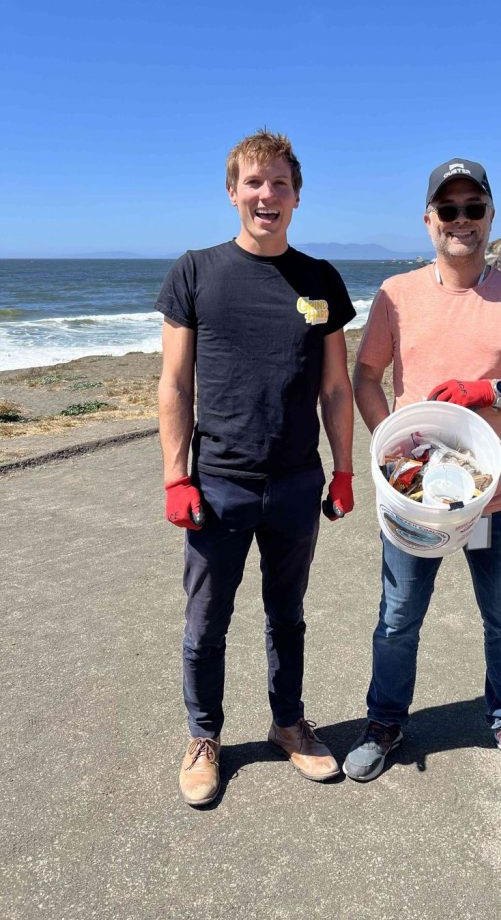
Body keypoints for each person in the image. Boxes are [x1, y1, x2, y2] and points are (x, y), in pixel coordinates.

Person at [344, 158, 501, 786]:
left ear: (491, 216)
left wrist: (492, 390)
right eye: (449, 210)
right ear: (429, 221)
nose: (462, 220)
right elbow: (365, 376)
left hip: (495, 496)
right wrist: (388, 446)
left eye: (474, 208)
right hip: (415, 497)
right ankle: (385, 721)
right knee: (398, 617)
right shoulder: (396, 294)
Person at [156, 130, 356, 806]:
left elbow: (336, 386)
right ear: (233, 191)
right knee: (206, 622)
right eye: (253, 182)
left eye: (278, 184)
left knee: (287, 615)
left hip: (298, 481)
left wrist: (346, 469)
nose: (266, 195)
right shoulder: (195, 272)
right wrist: (175, 476)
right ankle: (204, 737)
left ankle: (289, 726)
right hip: (217, 483)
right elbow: (175, 383)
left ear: (296, 196)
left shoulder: (321, 280)